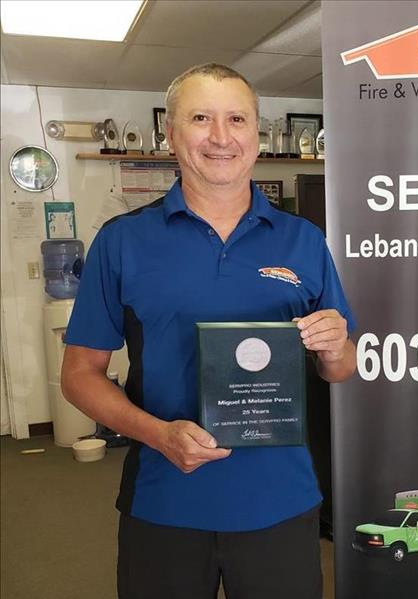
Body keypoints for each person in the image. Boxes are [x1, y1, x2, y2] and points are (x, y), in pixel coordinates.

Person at [61, 63, 356, 599]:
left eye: (237, 119)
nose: (221, 137)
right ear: (171, 134)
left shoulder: (303, 241)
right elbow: (80, 375)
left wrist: (337, 345)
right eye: (201, 118)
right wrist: (158, 435)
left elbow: (340, 368)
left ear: (256, 135)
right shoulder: (123, 241)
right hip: (166, 498)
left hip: (280, 500)